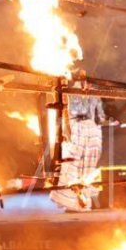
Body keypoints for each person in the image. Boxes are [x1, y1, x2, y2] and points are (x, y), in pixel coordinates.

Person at [50, 72, 109, 212]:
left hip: (90, 128)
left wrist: (103, 120)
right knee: (73, 163)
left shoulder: (93, 93)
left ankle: (81, 197)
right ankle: (73, 198)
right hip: (77, 126)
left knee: (87, 163)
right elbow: (67, 110)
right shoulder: (73, 91)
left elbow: (99, 113)